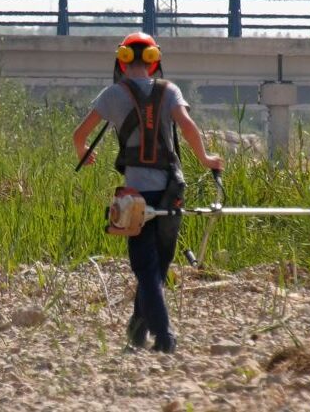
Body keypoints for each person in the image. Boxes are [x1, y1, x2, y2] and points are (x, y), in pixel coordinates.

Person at [72, 32, 223, 353]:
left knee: (145, 269)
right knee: (158, 267)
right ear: (155, 63)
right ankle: (137, 331)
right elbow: (187, 125)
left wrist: (84, 152)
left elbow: (79, 135)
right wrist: (206, 159)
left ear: (122, 63)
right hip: (172, 192)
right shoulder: (171, 91)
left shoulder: (112, 94)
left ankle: (164, 336)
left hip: (135, 197)